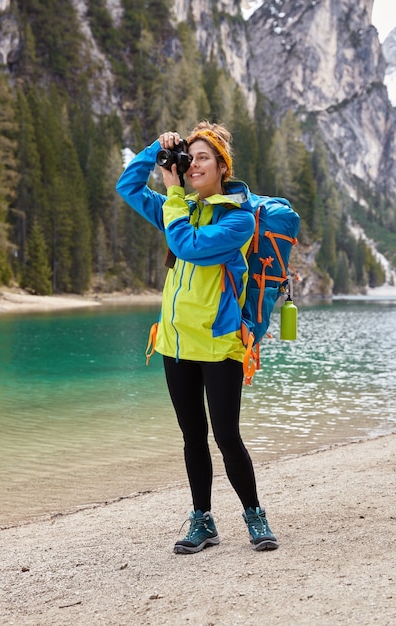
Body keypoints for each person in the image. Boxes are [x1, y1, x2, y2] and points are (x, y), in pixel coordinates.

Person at [116, 121, 278, 554]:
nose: (192, 165)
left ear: (222, 165)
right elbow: (127, 186)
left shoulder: (239, 219)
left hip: (219, 343)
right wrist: (158, 149)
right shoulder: (181, 205)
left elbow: (187, 245)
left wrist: (172, 194)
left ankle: (254, 514)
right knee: (192, 436)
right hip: (174, 342)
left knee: (226, 436)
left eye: (202, 157)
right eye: (190, 158)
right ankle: (202, 520)